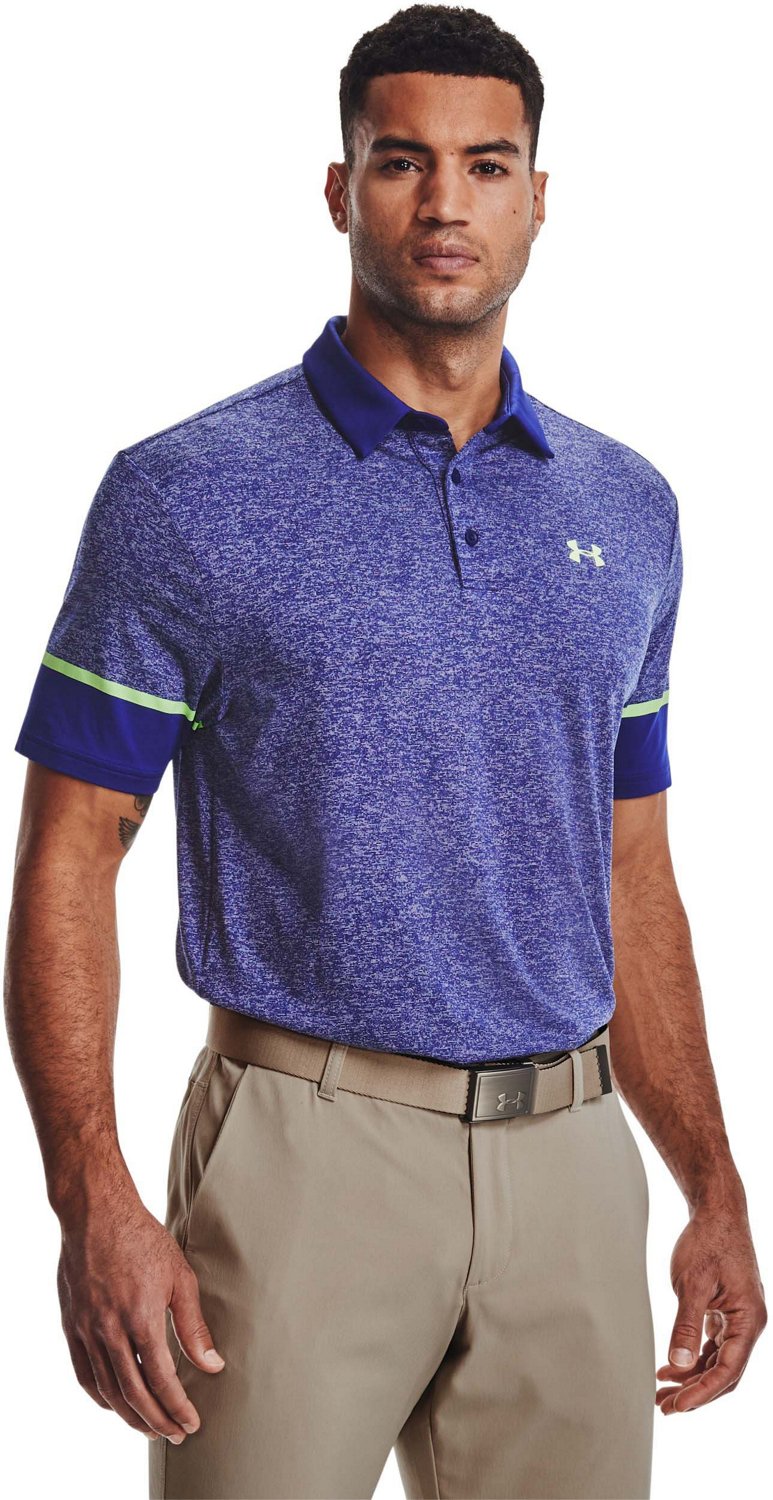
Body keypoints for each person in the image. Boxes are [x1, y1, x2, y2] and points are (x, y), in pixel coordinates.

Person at [5, 5, 766, 1498]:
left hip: (570, 1162)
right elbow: (71, 849)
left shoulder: (629, 509)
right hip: (301, 1154)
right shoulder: (183, 494)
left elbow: (631, 867)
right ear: (339, 187)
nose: (444, 203)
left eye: (487, 165)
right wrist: (89, 1196)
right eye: (402, 160)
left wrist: (715, 1185)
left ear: (538, 197)